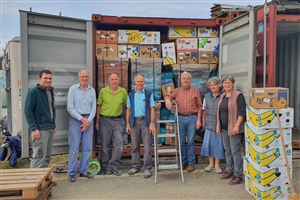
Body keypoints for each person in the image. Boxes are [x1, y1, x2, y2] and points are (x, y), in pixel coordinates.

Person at [165, 71, 202, 172]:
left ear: (190, 80)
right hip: (180, 118)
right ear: (181, 80)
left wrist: (199, 120)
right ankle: (183, 161)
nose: (186, 80)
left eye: (187, 79)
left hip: (192, 118)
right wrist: (168, 100)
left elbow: (199, 106)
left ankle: (191, 163)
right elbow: (168, 96)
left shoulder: (195, 91)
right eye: (184, 79)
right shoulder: (177, 91)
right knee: (181, 141)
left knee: (190, 141)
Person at [95, 73, 128, 176]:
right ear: (108, 81)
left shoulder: (122, 92)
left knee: (119, 143)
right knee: (105, 144)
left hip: (117, 120)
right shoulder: (103, 91)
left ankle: (113, 165)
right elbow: (99, 106)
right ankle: (105, 167)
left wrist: (127, 122)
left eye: (116, 79)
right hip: (105, 120)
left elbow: (127, 107)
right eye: (112, 79)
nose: (114, 81)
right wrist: (97, 121)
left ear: (118, 81)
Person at [67, 70, 96, 182]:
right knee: (74, 147)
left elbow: (94, 107)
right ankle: (72, 173)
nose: (84, 78)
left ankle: (84, 171)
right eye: (82, 76)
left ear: (88, 78)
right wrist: (82, 120)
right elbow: (70, 107)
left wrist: (88, 121)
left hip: (88, 119)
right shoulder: (73, 89)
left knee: (88, 147)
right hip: (75, 120)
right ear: (79, 78)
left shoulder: (92, 90)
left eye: (86, 76)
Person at [216, 75, 246, 185]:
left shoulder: (238, 95)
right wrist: (218, 126)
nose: (227, 84)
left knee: (235, 151)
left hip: (234, 128)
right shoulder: (222, 95)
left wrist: (237, 126)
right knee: (227, 150)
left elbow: (242, 112)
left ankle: (238, 175)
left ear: (233, 84)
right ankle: (229, 170)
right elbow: (219, 112)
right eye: (225, 83)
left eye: (229, 82)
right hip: (224, 128)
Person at [125, 74, 156, 178]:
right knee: (135, 146)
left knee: (147, 146)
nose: (139, 83)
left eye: (141, 81)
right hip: (134, 122)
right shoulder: (131, 95)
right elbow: (128, 110)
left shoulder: (148, 94)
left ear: (144, 82)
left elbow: (152, 109)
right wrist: (127, 124)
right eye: (138, 81)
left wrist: (152, 123)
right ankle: (135, 166)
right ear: (135, 82)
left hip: (145, 122)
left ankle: (147, 168)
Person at [24, 70, 56, 168]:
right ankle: (35, 182)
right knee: (39, 157)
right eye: (45, 78)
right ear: (39, 79)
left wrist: (53, 125)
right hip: (39, 129)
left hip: (49, 128)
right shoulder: (33, 92)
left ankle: (44, 181)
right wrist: (33, 129)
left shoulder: (50, 91)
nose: (48, 80)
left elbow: (51, 109)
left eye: (50, 78)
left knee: (47, 157)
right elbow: (28, 111)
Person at [201, 77, 225, 174]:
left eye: (214, 85)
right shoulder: (206, 96)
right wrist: (203, 121)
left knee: (218, 145)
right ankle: (210, 164)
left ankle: (217, 165)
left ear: (219, 85)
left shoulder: (223, 96)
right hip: (209, 123)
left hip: (219, 124)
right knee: (209, 145)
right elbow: (204, 110)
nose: (212, 87)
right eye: (211, 85)